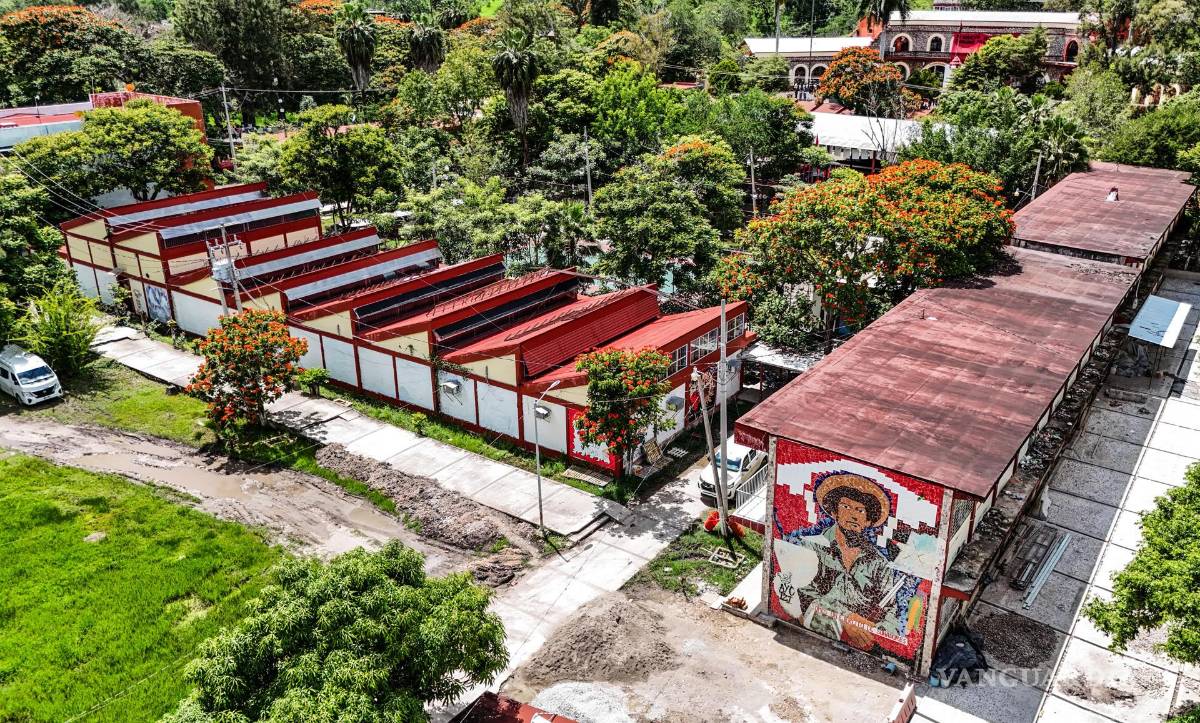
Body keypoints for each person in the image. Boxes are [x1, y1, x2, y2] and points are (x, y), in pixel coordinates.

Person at [780, 473, 905, 650]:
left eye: (860, 511)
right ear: (834, 512)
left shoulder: (878, 563)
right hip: (811, 640)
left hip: (861, 648)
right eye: (846, 506)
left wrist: (872, 633)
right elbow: (802, 595)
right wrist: (845, 617)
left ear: (868, 521)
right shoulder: (813, 546)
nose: (853, 515)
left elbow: (893, 611)